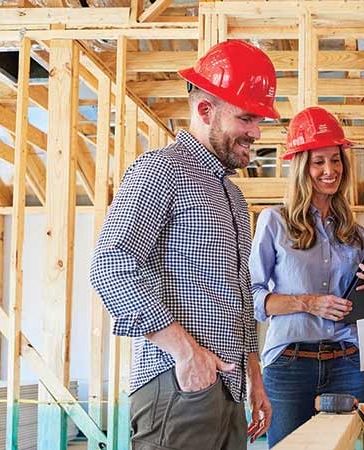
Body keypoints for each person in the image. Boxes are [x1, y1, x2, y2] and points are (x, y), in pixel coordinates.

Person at [90, 40, 278, 450]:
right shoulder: (162, 169)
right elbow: (111, 264)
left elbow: (240, 295)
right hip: (177, 386)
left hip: (228, 388)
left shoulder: (231, 194)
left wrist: (255, 376)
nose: (256, 133)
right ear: (206, 110)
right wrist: (185, 352)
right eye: (246, 119)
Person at [249, 106, 364, 447]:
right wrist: (308, 302)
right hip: (289, 365)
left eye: (336, 160)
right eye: (319, 162)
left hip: (348, 362)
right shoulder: (274, 223)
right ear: (302, 167)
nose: (330, 170)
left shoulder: (358, 235)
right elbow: (253, 298)